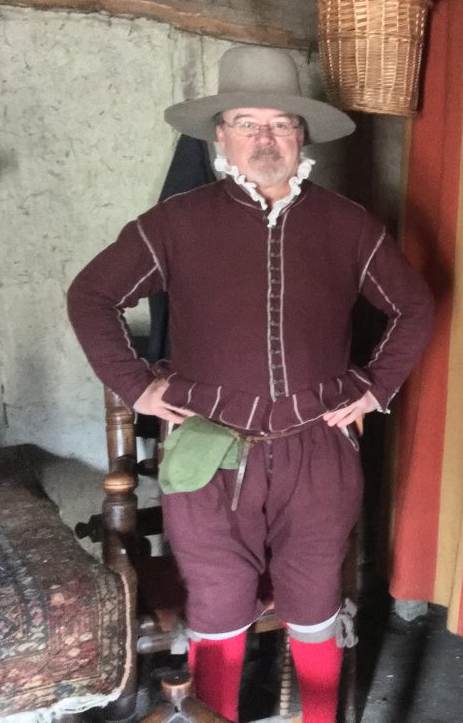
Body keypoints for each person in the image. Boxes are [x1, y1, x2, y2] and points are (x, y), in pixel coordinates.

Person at [67, 45, 434, 723]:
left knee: (316, 602)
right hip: (209, 449)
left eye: (281, 123)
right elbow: (92, 295)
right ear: (220, 135)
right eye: (247, 122)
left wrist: (375, 386)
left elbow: (415, 308)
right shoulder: (176, 222)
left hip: (318, 450)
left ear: (302, 135)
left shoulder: (348, 223)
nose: (265, 138)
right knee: (217, 606)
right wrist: (137, 386)